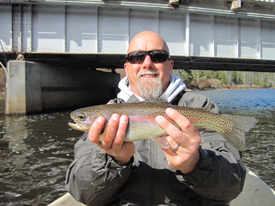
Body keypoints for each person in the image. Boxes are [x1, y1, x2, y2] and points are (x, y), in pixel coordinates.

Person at [65, 31, 246, 206]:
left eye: (158, 56)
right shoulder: (109, 111)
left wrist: (195, 163)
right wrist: (112, 159)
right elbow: (83, 192)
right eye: (137, 57)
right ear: (126, 69)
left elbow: (232, 186)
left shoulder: (200, 107)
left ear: (170, 65)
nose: (147, 63)